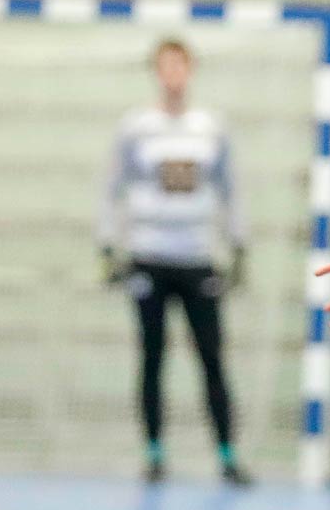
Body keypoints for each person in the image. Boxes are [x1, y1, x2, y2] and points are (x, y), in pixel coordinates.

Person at [99, 38, 251, 487]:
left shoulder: (211, 128)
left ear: (190, 70)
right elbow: (112, 188)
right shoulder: (136, 127)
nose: (173, 75)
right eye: (165, 67)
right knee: (151, 357)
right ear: (156, 72)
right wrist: (108, 247)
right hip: (148, 256)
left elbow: (230, 189)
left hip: (197, 257)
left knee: (211, 358)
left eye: (179, 66)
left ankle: (227, 454)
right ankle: (154, 452)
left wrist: (237, 246)